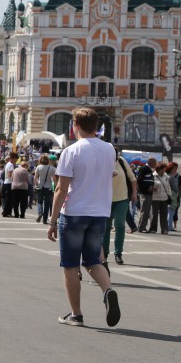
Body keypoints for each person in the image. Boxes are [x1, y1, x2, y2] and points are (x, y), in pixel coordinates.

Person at [47, 107, 120, 328]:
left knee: (70, 265)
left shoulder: (71, 151)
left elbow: (61, 188)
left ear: (75, 126)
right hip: (100, 213)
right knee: (93, 261)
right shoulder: (109, 149)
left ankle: (76, 314)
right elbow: (109, 175)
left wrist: (52, 220)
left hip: (74, 213)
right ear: (96, 126)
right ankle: (108, 290)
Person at [103, 147, 137, 265]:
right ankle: (104, 253)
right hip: (105, 200)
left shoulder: (121, 161)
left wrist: (134, 193)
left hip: (122, 199)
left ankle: (118, 253)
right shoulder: (102, 162)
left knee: (120, 225)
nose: (115, 157)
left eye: (116, 155)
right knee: (106, 227)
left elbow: (132, 178)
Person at [149, 161, 172, 234]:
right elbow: (150, 186)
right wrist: (153, 187)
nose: (164, 170)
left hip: (164, 198)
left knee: (164, 214)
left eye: (165, 168)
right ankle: (153, 229)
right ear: (159, 169)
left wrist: (169, 195)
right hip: (155, 198)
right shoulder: (153, 176)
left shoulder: (166, 176)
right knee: (154, 214)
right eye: (163, 169)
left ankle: (164, 229)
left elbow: (168, 187)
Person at [135, 158, 157, 232]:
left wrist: (152, 187)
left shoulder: (149, 170)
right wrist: (147, 188)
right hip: (145, 192)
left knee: (147, 210)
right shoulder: (144, 168)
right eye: (155, 162)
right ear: (151, 162)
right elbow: (139, 180)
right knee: (144, 210)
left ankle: (143, 226)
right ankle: (141, 227)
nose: (155, 164)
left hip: (148, 193)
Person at [33, 155, 56, 224]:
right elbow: (54, 179)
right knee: (47, 204)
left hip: (40, 186)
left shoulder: (38, 167)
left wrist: (36, 185)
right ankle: (45, 220)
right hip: (49, 187)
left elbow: (35, 177)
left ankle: (40, 213)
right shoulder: (52, 168)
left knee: (39, 202)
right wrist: (56, 186)